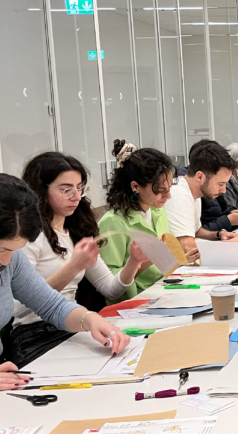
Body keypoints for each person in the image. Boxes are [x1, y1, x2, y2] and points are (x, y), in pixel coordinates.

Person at [0, 174, 128, 402]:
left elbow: (50, 304)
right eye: (0, 249)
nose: (6, 261)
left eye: (14, 250)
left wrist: (89, 319)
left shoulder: (9, 260)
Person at [10, 152, 149, 365]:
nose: (76, 196)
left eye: (80, 188)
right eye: (65, 189)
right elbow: (19, 307)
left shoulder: (74, 231)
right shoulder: (28, 236)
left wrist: (134, 262)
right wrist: (74, 267)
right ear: (40, 190)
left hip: (73, 325)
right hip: (35, 332)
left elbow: (110, 288)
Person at [99, 141, 199, 302]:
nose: (168, 197)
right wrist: (141, 263)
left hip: (162, 290)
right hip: (135, 302)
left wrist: (179, 260)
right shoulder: (113, 222)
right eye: (160, 191)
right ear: (135, 186)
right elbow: (109, 285)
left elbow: (159, 264)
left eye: (168, 189)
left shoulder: (157, 211)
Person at [166, 139, 238, 253]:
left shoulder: (194, 191)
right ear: (200, 177)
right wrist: (232, 245)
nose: (223, 190)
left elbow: (196, 232)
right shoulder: (179, 196)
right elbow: (187, 246)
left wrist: (218, 234)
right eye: (220, 184)